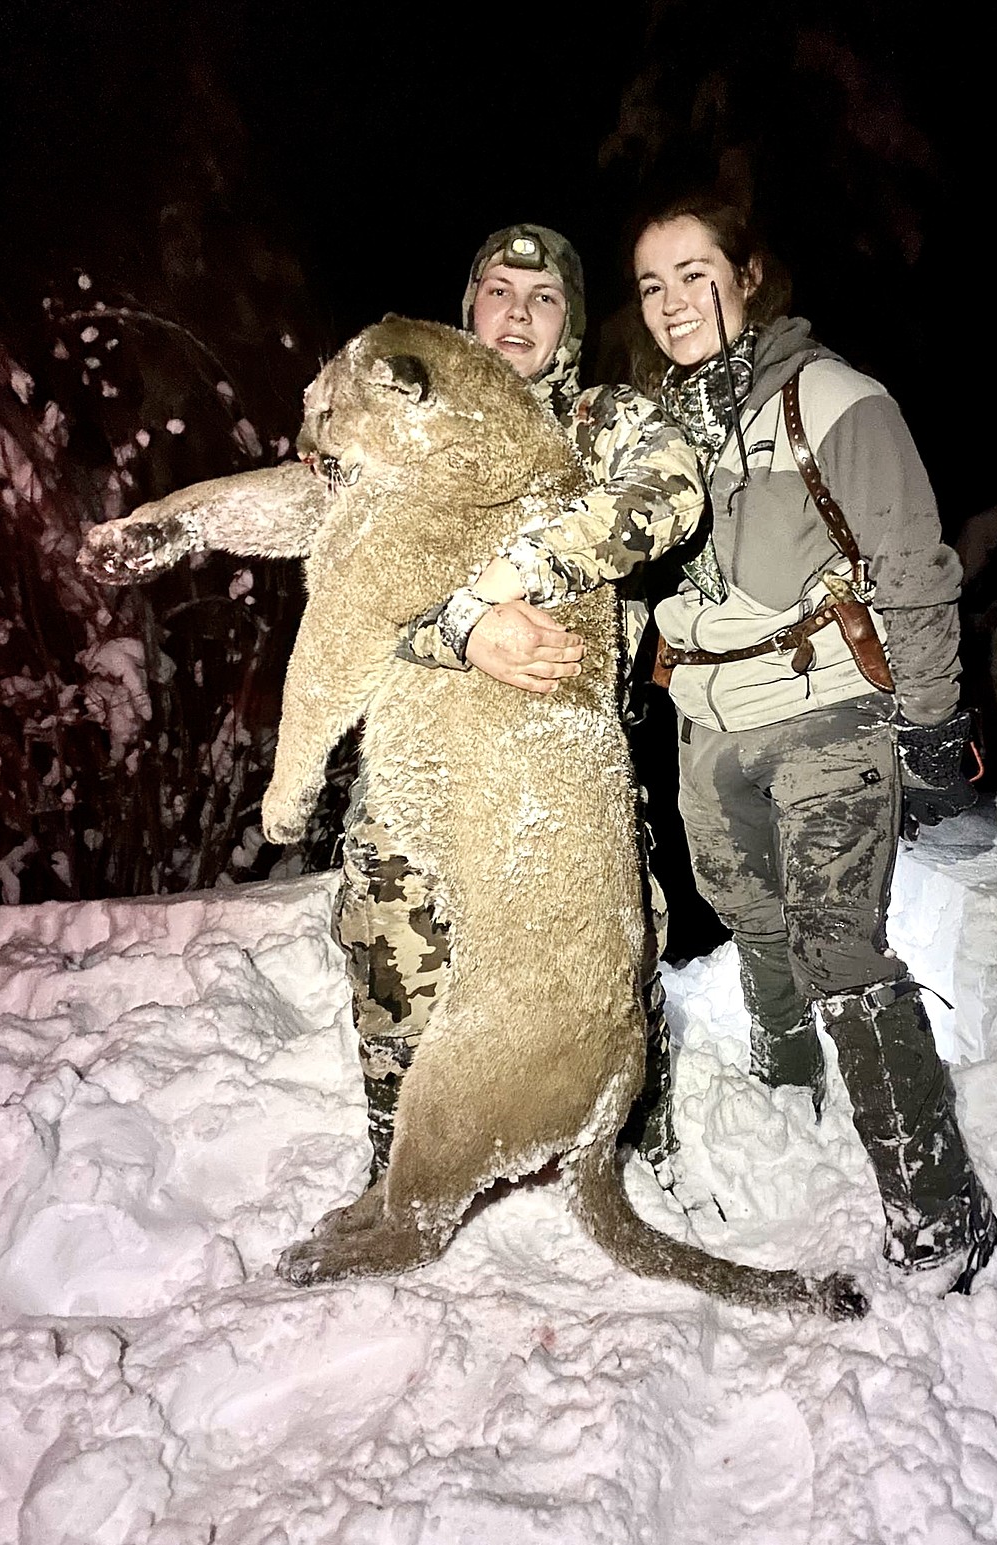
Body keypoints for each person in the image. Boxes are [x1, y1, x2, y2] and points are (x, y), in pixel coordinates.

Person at [631, 192, 997, 1291]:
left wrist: (933, 724)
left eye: (696, 272)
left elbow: (915, 570)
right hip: (708, 723)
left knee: (839, 942)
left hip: (830, 707)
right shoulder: (658, 431)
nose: (673, 302)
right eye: (652, 284)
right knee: (751, 915)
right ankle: (787, 1079)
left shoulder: (833, 400)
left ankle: (936, 1209)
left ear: (748, 276)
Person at [334, 223, 705, 1184]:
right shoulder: (402, 434)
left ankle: (622, 1151)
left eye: (545, 301)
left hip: (559, 779)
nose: (519, 313)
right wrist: (463, 631)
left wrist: (515, 580)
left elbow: (669, 488)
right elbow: (347, 592)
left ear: (569, 330)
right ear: (466, 312)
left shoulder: (596, 421)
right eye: (499, 291)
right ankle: (402, 1169)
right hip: (423, 769)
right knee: (393, 950)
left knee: (605, 973)